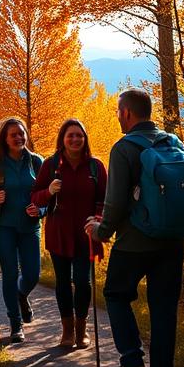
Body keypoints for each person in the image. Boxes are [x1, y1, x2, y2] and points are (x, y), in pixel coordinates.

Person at [85, 88, 184, 367]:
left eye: (118, 111)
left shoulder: (125, 148)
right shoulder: (174, 143)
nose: (117, 116)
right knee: (164, 313)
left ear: (127, 113)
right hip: (172, 243)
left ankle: (132, 364)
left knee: (115, 295)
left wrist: (100, 232)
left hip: (135, 243)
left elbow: (114, 203)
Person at [31, 119, 107, 349]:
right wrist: (49, 191)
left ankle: (82, 330)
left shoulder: (95, 166)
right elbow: (35, 196)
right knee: (63, 282)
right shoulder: (50, 164)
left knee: (83, 283)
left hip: (86, 234)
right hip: (59, 233)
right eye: (70, 136)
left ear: (85, 139)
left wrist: (97, 218)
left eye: (79, 136)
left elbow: (104, 199)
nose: (75, 140)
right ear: (62, 139)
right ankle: (67, 332)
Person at [0, 117, 44, 343]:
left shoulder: (37, 162)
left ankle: (21, 296)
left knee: (32, 274)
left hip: (30, 227)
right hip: (2, 227)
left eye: (21, 134)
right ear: (5, 138)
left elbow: (48, 196)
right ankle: (16, 325)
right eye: (14, 134)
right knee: (10, 274)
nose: (19, 137)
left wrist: (41, 210)